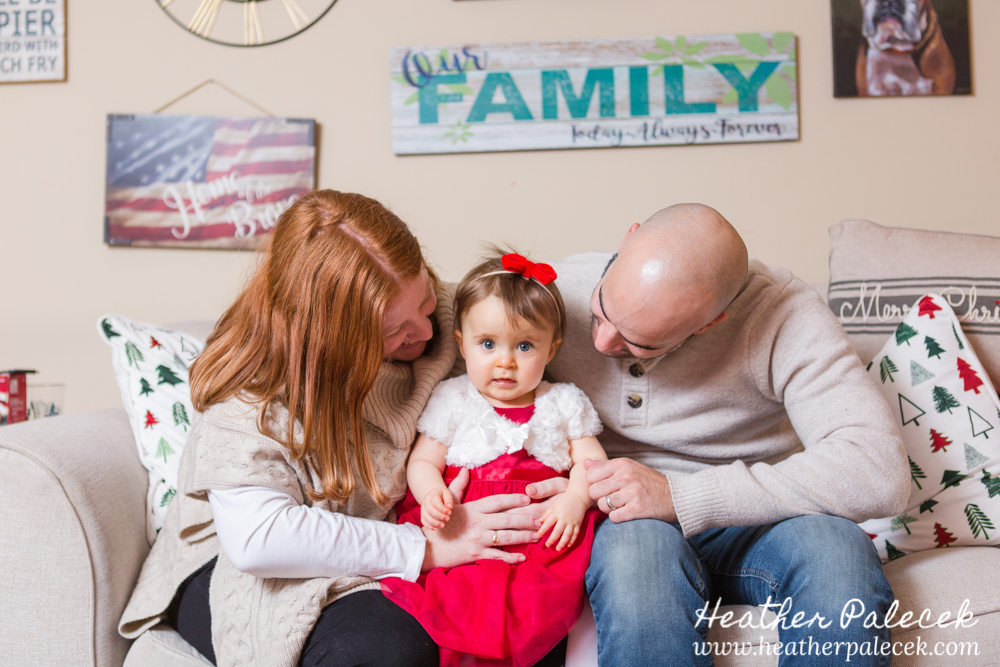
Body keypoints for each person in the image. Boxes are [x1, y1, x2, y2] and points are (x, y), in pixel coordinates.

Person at [117, 191, 547, 667]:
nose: (426, 333)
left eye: (424, 300)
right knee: (387, 646)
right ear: (331, 339)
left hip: (398, 528)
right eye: (393, 332)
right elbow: (260, 537)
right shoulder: (250, 394)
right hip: (231, 557)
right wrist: (424, 547)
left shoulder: (457, 315)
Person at [545, 204, 911, 666]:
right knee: (639, 558)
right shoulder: (553, 288)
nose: (602, 343)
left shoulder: (783, 312)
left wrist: (681, 496)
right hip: (626, 525)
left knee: (837, 553)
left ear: (711, 322)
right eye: (602, 309)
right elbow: (445, 340)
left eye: (640, 343)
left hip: (757, 522)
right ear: (628, 238)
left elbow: (879, 471)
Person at [382, 250, 608, 667]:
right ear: (462, 343)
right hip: (464, 522)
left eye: (524, 346)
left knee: (562, 596)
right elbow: (422, 462)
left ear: (552, 348)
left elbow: (592, 464)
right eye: (488, 344)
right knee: (464, 605)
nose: (505, 361)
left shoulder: (563, 402)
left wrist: (576, 500)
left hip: (543, 533)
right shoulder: (452, 398)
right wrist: (432, 494)